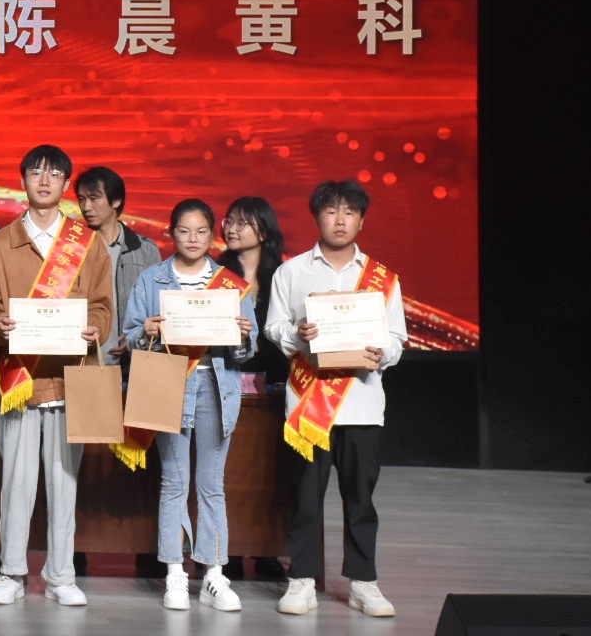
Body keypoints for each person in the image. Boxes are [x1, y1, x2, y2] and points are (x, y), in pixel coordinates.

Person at [265, 180, 406, 618]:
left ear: (361, 220)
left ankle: (364, 583)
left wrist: (382, 352)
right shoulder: (292, 272)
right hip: (309, 405)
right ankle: (302, 579)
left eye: (349, 212)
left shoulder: (382, 278)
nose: (340, 220)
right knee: (305, 497)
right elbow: (274, 327)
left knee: (360, 498)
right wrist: (298, 335)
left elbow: (397, 337)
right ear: (317, 218)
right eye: (331, 211)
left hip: (362, 404)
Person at [0, 144, 110, 608]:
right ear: (23, 181)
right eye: (36, 172)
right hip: (20, 379)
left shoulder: (87, 243)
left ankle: (61, 576)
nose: (45, 180)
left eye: (54, 173)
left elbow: (102, 305)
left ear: (65, 184)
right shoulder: (0, 243)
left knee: (63, 483)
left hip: (70, 380)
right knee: (15, 483)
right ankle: (11, 572)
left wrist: (96, 328)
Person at [121, 199, 257, 613]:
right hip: (169, 385)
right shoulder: (152, 279)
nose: (193, 239)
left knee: (212, 484)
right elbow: (129, 336)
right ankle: (175, 572)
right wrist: (145, 331)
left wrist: (243, 336)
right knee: (174, 482)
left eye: (201, 232)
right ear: (171, 233)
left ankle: (214, 573)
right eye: (184, 231)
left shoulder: (230, 284)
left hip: (215, 386)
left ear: (212, 235)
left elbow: (248, 348)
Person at [73, 166, 161, 366]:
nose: (86, 207)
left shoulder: (145, 249)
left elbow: (157, 306)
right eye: (81, 199)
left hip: (135, 361)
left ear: (116, 200)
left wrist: (136, 337)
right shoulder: (72, 249)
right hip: (86, 358)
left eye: (94, 198)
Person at [218, 196, 290, 386]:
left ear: (264, 232)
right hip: (228, 372)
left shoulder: (283, 275)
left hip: (275, 374)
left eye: (241, 223)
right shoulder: (217, 274)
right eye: (229, 222)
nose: (231, 229)